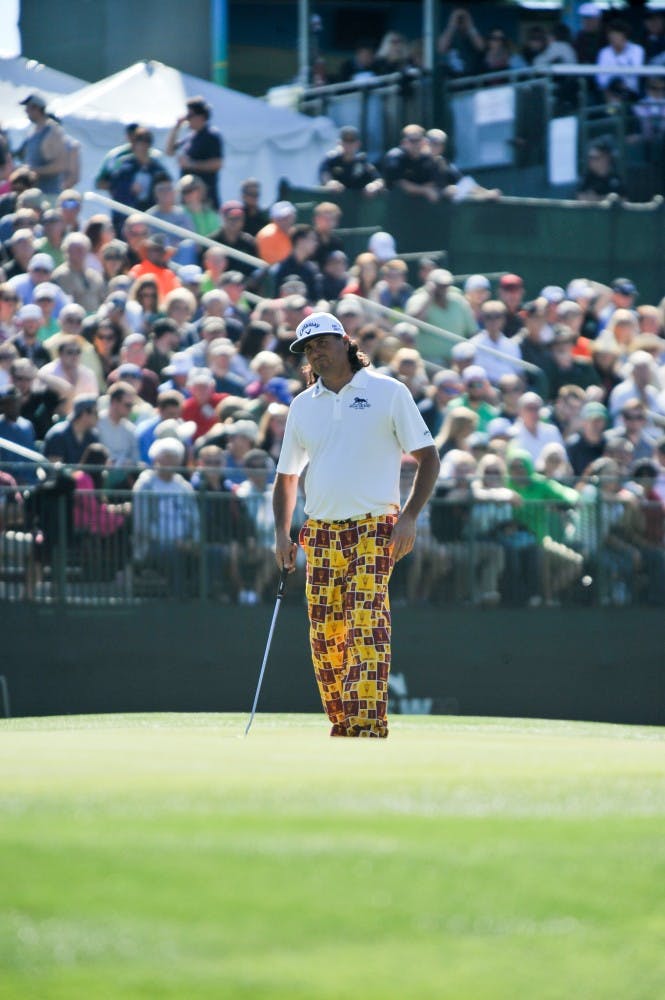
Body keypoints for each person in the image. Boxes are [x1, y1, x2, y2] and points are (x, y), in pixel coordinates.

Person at [273, 311, 439, 738]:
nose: (316, 353)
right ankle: (343, 721)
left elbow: (428, 457)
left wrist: (410, 517)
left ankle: (367, 722)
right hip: (321, 530)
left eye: (322, 343)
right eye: (308, 349)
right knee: (325, 632)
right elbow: (287, 476)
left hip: (376, 526)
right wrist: (281, 532)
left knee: (366, 619)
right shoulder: (301, 406)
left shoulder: (387, 391)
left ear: (345, 341)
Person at [166, 96, 224, 210]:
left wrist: (191, 164)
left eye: (190, 116)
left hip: (205, 201)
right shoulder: (190, 137)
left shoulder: (211, 136)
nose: (187, 119)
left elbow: (218, 163)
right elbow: (169, 151)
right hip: (188, 200)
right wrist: (176, 127)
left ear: (201, 116)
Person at [16, 93, 67, 197]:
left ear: (37, 109)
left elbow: (60, 165)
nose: (26, 111)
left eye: (28, 108)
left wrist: (32, 170)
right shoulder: (33, 131)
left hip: (49, 195)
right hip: (32, 194)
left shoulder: (53, 131)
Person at [318, 126, 385, 196]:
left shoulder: (362, 162)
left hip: (356, 203)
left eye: (352, 141)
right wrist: (330, 183)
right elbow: (325, 176)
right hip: (334, 201)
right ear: (339, 143)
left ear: (358, 144)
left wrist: (374, 185)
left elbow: (379, 180)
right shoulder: (331, 160)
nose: (348, 145)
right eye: (345, 141)